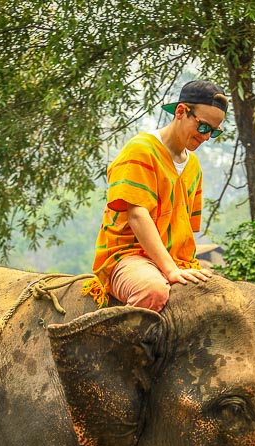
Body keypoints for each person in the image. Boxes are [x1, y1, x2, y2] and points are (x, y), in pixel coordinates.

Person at [83, 80, 228, 310]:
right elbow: (138, 216)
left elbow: (185, 229)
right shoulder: (141, 150)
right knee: (153, 290)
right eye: (203, 127)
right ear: (181, 111)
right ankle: (123, 345)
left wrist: (180, 267)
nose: (207, 137)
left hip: (178, 260)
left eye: (214, 132)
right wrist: (169, 270)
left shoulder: (194, 167)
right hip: (130, 257)